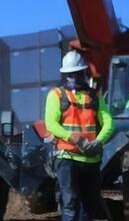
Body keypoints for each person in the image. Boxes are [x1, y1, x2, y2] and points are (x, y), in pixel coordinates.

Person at [44, 51, 114, 221]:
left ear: (83, 73)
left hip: (91, 161)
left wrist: (99, 141)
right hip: (66, 159)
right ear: (65, 75)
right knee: (69, 205)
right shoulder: (56, 95)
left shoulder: (94, 96)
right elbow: (51, 124)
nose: (73, 79)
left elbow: (109, 122)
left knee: (89, 207)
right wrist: (71, 137)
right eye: (70, 75)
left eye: (77, 74)